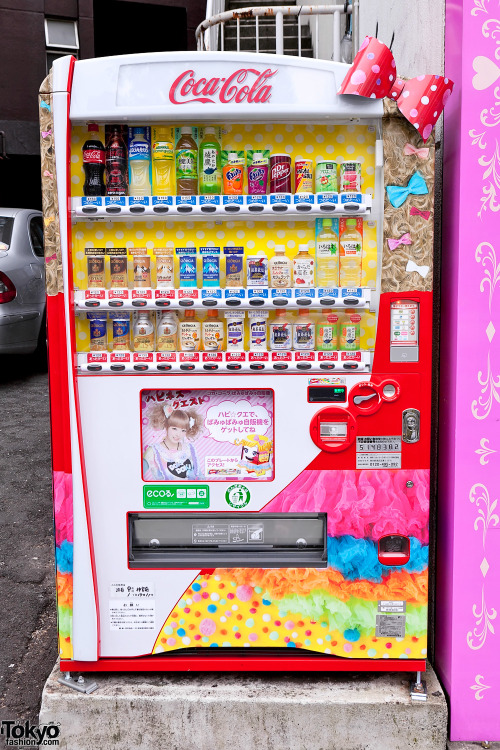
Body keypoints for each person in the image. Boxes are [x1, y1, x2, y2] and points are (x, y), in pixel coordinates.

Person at [143, 404, 203, 480]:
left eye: (183, 430)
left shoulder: (189, 449)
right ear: (167, 426)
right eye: (174, 429)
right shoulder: (153, 451)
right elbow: (137, 475)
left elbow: (200, 476)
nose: (178, 434)